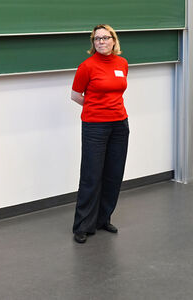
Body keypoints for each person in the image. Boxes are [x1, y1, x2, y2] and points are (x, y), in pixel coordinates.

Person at [71, 24, 129, 244]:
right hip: (95, 126)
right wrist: (96, 105)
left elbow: (119, 88)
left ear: (114, 40)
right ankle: (83, 226)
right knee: (91, 176)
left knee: (113, 174)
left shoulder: (122, 63)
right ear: (93, 43)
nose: (101, 42)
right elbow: (76, 95)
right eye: (97, 39)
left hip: (120, 125)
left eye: (105, 38)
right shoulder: (87, 66)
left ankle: (103, 219)